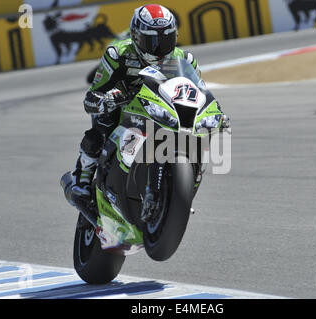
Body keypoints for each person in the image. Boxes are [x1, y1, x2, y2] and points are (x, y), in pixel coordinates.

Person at [71, 4, 228, 220]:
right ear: (135, 36)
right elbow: (92, 96)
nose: (159, 48)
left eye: (166, 40)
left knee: (198, 134)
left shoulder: (185, 59)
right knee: (101, 126)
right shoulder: (118, 55)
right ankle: (82, 183)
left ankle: (178, 195)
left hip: (162, 110)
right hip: (125, 111)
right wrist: (106, 99)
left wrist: (215, 111)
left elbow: (198, 92)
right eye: (151, 41)